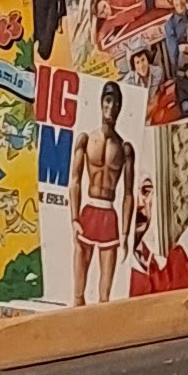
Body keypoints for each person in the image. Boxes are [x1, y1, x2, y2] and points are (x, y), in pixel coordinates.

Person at [72, 75, 134, 303]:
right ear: (101, 103)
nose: (111, 107)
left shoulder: (125, 148)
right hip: (88, 212)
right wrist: (74, 218)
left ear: (120, 107)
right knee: (78, 294)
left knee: (104, 297)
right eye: (108, 101)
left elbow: (128, 194)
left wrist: (125, 233)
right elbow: (75, 181)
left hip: (109, 215)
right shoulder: (86, 140)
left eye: (116, 103)